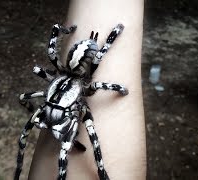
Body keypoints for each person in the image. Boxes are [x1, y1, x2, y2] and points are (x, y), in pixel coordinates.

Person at [28, 0, 146, 179]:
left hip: (77, 63)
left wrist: (118, 88)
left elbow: (99, 81)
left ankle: (101, 170)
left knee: (92, 134)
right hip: (69, 70)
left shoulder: (87, 85)